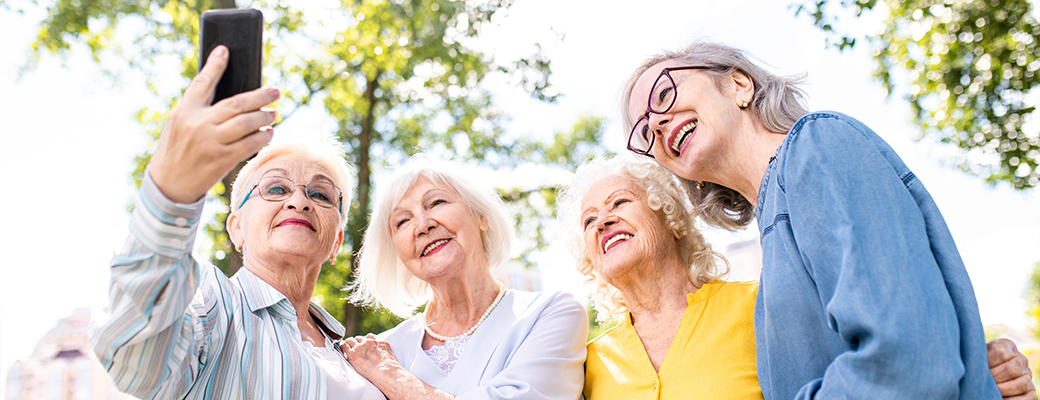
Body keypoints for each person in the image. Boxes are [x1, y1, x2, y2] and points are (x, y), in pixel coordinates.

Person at [620, 40, 1035, 399]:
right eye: (643, 131)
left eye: (664, 95)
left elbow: (907, 360)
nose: (656, 123)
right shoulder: (773, 246)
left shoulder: (817, 146)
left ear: (738, 84)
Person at [92, 46, 383, 399]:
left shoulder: (358, 355)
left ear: (336, 243)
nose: (299, 201)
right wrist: (172, 193)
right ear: (236, 228)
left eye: (321, 195)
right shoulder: (212, 305)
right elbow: (133, 358)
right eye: (276, 188)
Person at [341, 158, 588, 399]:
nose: (423, 226)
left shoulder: (551, 314)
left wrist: (395, 380)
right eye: (402, 221)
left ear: (481, 216)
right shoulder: (380, 350)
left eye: (436, 202)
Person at [558, 155, 761, 399]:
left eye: (619, 202)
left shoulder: (757, 306)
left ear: (670, 216)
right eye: (589, 220)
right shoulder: (587, 365)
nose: (602, 222)